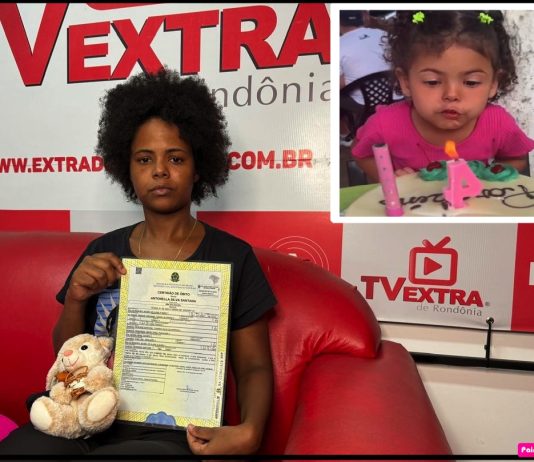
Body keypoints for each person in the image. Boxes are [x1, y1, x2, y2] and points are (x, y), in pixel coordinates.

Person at [0, 68, 277, 457]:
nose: (160, 170)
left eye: (175, 158)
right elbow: (67, 357)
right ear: (127, 169)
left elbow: (253, 367)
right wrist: (77, 297)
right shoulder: (102, 249)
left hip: (171, 433)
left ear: (198, 167)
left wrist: (250, 431)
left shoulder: (232, 257)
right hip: (81, 420)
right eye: (144, 159)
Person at [351, 10, 534, 183]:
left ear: (493, 83)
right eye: (432, 82)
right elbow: (361, 154)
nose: (451, 95)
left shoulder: (498, 124)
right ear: (406, 82)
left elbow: (516, 158)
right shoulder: (385, 124)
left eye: (471, 82)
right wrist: (391, 179)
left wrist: (491, 178)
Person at [339, 10, 399, 147]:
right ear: (364, 18)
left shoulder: (338, 45)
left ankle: (345, 135)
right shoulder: (384, 34)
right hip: (396, 96)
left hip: (363, 103)